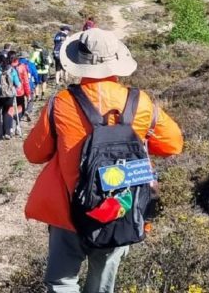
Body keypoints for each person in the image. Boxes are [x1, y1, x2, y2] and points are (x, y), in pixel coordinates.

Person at [23, 29, 184, 293]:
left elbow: (34, 153)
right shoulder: (140, 102)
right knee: (101, 286)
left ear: (79, 61)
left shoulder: (61, 103)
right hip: (121, 208)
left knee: (61, 282)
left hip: (67, 212)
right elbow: (173, 144)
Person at [0, 53, 21, 140]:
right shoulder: (12, 70)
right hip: (9, 96)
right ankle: (7, 133)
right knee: (6, 113)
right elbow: (18, 84)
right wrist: (13, 89)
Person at [9, 52, 31, 135]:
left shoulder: (7, 66)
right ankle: (18, 126)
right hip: (19, 91)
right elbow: (25, 81)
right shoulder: (22, 67)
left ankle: (10, 127)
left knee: (10, 108)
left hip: (9, 91)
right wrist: (28, 93)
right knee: (20, 108)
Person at [19, 51, 39, 121]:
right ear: (27, 57)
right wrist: (37, 82)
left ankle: (21, 113)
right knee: (30, 99)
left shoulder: (16, 64)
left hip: (19, 85)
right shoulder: (30, 64)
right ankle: (28, 111)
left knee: (21, 100)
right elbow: (35, 74)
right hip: (29, 84)